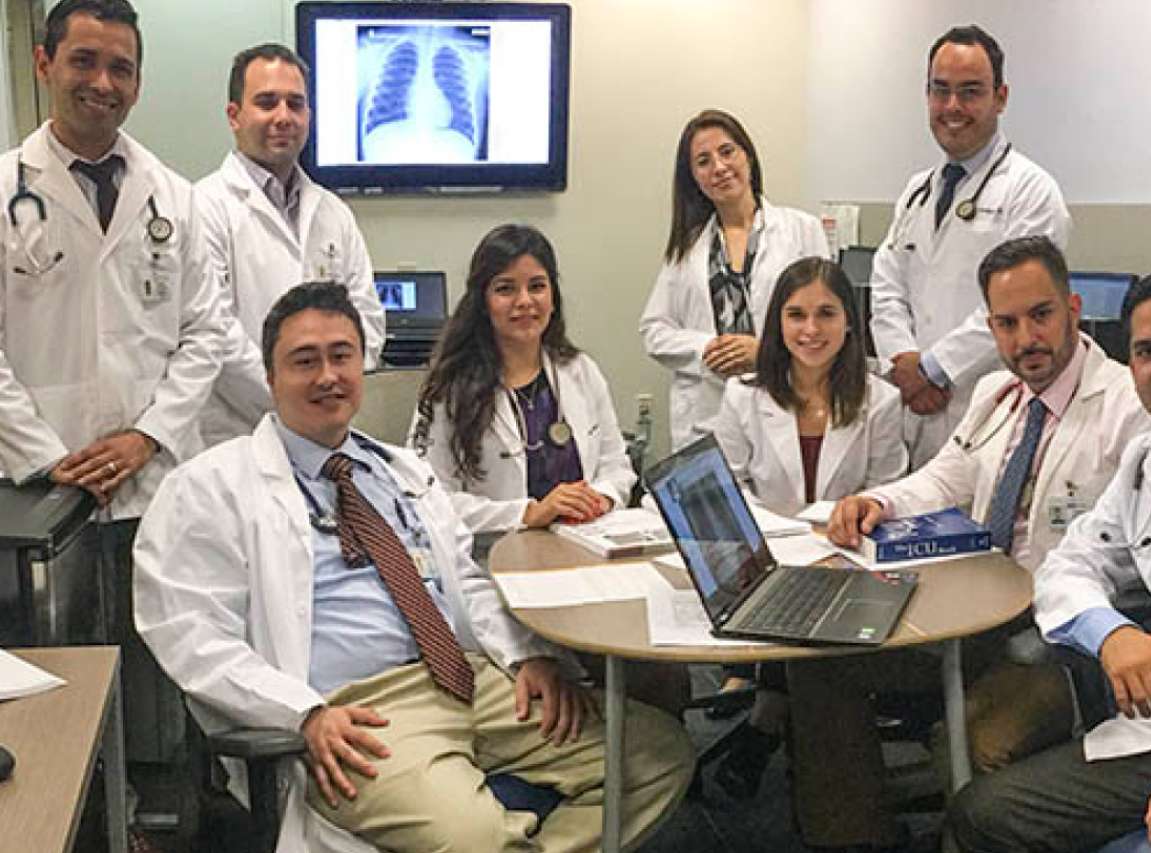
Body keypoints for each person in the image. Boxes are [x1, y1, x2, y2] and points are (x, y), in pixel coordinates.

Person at [133, 282, 694, 853]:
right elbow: (188, 634)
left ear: (362, 364)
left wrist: (527, 655)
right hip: (358, 712)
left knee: (654, 757)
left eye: (341, 355)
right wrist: (301, 714)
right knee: (470, 836)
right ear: (271, 376)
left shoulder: (397, 469)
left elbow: (463, 581)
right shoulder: (209, 488)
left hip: (467, 677)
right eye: (305, 361)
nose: (327, 375)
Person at [805, 236, 1148, 849]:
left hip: (1058, 640)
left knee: (977, 741)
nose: (1026, 339)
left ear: (1073, 309)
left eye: (1040, 316)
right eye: (1007, 323)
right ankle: (857, 834)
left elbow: (1133, 558)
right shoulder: (997, 394)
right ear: (990, 326)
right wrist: (877, 502)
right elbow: (944, 477)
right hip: (969, 616)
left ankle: (964, 831)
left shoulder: (1127, 407)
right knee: (821, 664)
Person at [951, 268, 1151, 853]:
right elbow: (1067, 565)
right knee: (986, 813)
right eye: (1146, 352)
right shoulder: (1145, 458)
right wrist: (1112, 636)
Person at [0, 0, 223, 829]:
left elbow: (206, 333)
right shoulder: (2, 189)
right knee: (49, 684)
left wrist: (143, 436)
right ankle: (69, 827)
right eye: (84, 61)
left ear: (138, 81)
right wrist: (46, 455)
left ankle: (154, 825)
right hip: (37, 503)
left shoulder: (176, 196)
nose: (102, 82)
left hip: (151, 483)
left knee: (158, 675)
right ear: (44, 64)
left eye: (120, 67)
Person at [708, 256, 907, 802]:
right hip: (766, 558)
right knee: (785, 600)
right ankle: (775, 720)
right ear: (777, 324)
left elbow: (886, 490)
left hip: (848, 560)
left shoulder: (880, 400)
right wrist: (785, 536)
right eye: (796, 315)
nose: (811, 330)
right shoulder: (744, 395)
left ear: (849, 322)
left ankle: (766, 722)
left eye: (826, 313)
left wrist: (850, 521)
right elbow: (732, 490)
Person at [871, 24, 1070, 470]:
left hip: (988, 408)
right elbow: (886, 284)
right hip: (910, 408)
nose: (952, 107)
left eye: (970, 91)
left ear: (1000, 97)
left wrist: (932, 370)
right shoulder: (915, 191)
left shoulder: (1031, 191)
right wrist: (902, 363)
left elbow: (1015, 309)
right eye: (940, 91)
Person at [196, 42, 385, 447]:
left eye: (295, 104)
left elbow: (367, 322)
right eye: (266, 102)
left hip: (326, 438)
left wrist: (323, 396)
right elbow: (215, 333)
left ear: (308, 116)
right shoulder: (203, 208)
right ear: (235, 115)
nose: (283, 117)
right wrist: (296, 404)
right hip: (237, 436)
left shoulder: (334, 213)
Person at [412, 224, 635, 534]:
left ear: (553, 297)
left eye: (537, 286)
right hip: (494, 553)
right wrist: (529, 513)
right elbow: (428, 496)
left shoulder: (581, 371)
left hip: (586, 540)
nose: (525, 301)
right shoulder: (447, 388)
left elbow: (616, 465)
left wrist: (600, 498)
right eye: (505, 289)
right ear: (483, 302)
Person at [640, 108, 828, 453]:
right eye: (703, 161)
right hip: (708, 417)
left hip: (784, 404)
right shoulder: (688, 247)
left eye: (727, 152)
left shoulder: (802, 230)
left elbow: (826, 322)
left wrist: (767, 352)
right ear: (694, 178)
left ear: (749, 157)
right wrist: (708, 348)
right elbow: (654, 331)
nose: (719, 168)